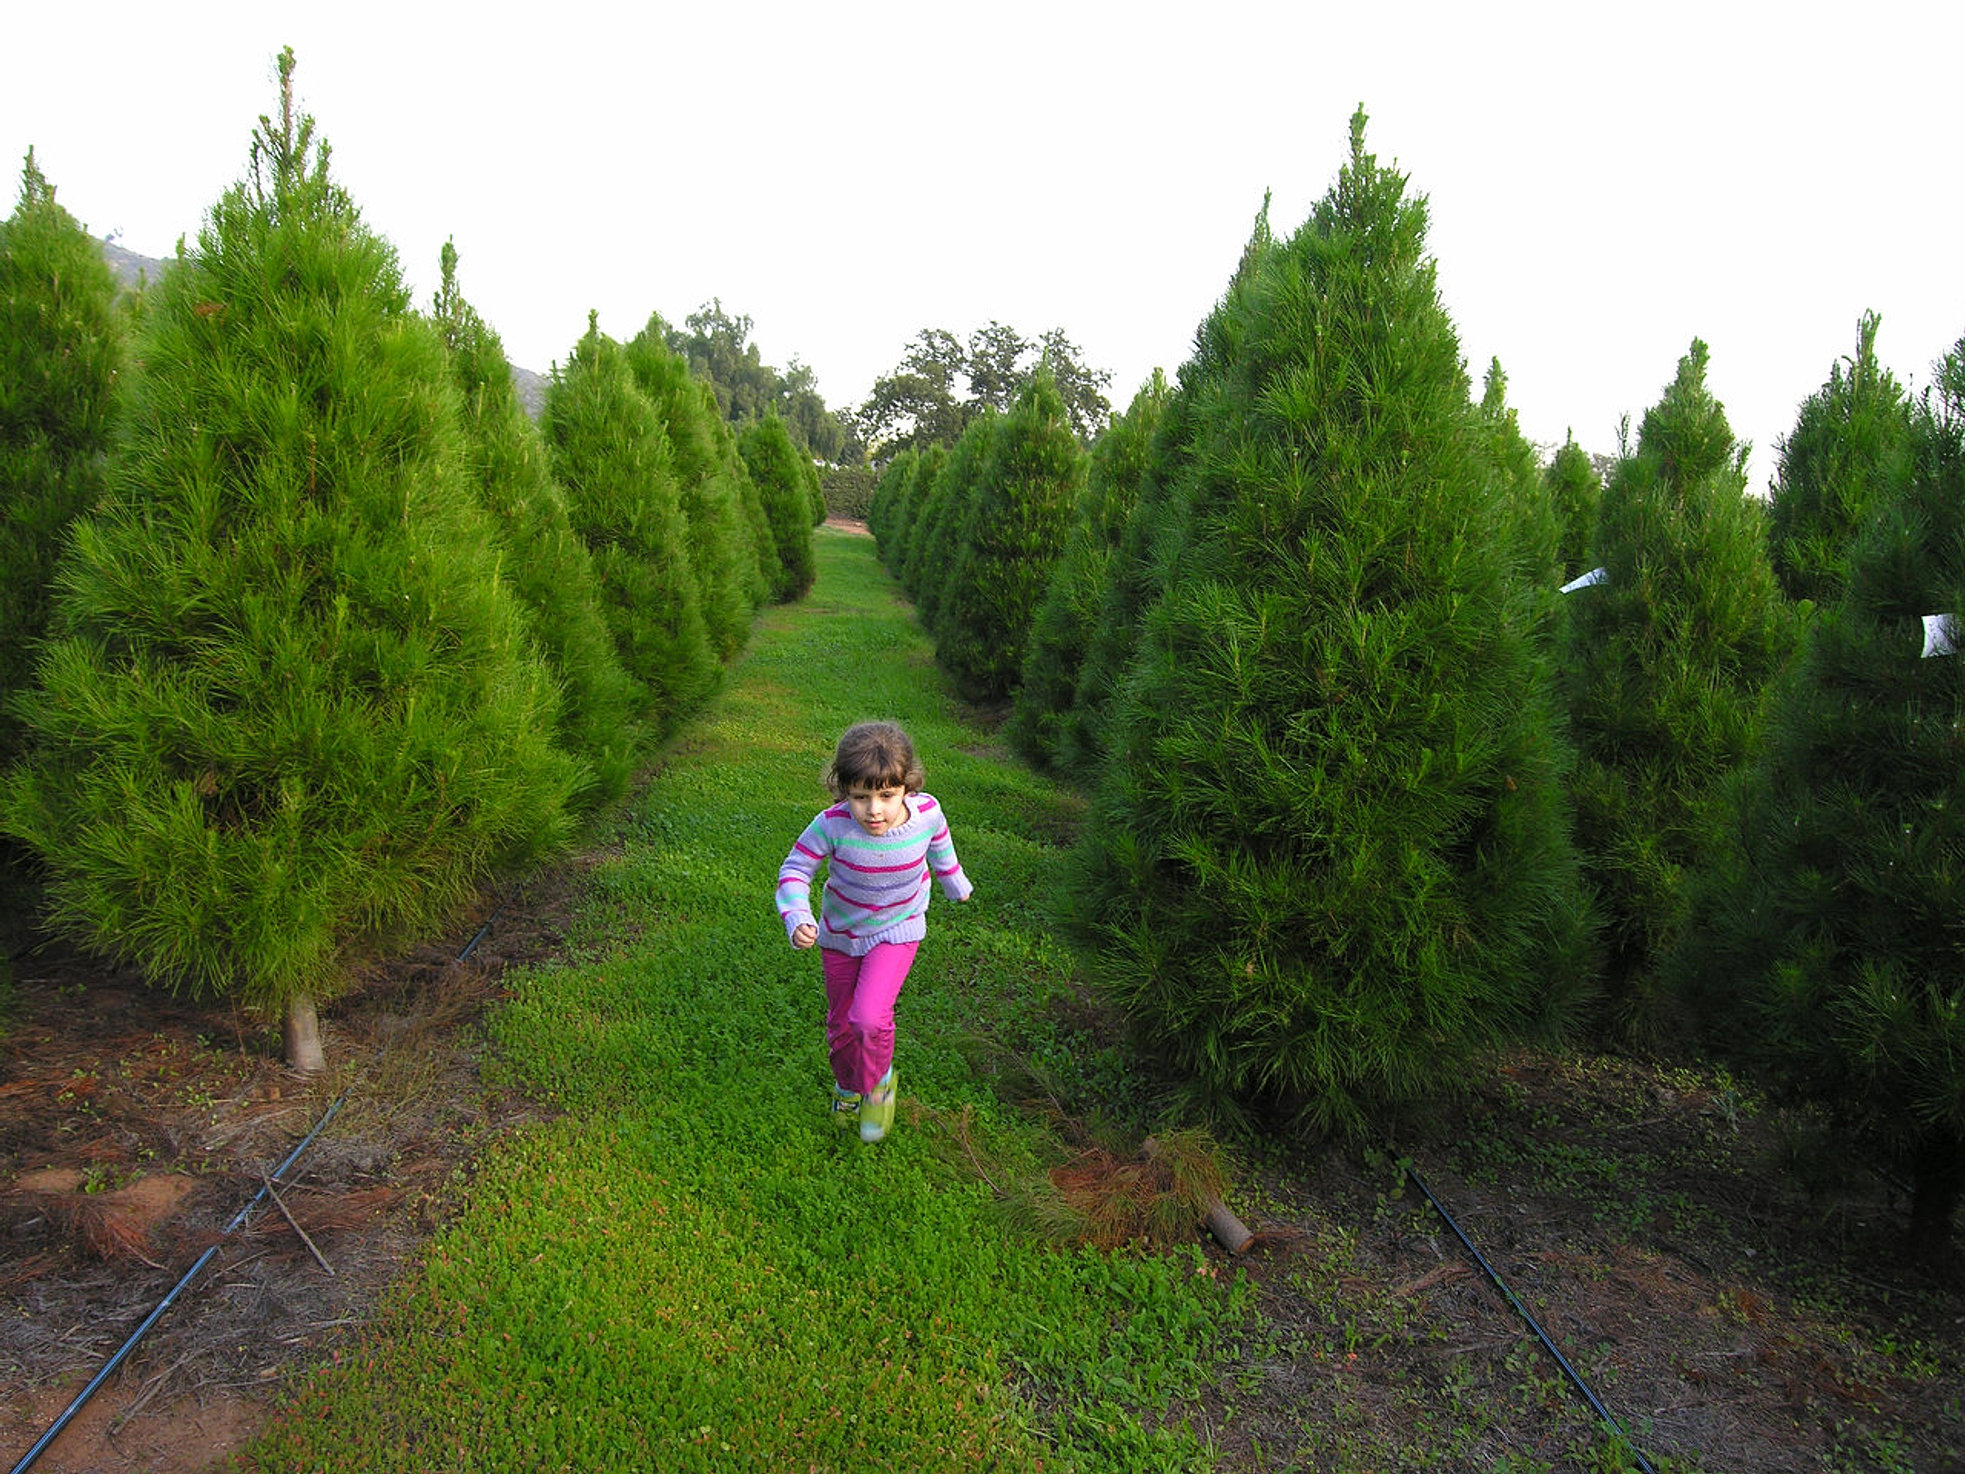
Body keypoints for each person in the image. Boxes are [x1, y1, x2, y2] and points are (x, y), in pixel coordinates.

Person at [775, 721, 972, 1143]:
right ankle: (848, 1084)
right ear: (843, 789)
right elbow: (795, 868)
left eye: (887, 795)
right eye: (860, 797)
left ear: (907, 787)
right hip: (841, 935)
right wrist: (798, 916)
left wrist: (953, 879)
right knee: (841, 1025)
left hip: (899, 928)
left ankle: (877, 1084)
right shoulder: (831, 825)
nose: (874, 810)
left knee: (868, 1017)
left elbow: (939, 841)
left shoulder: (926, 813)